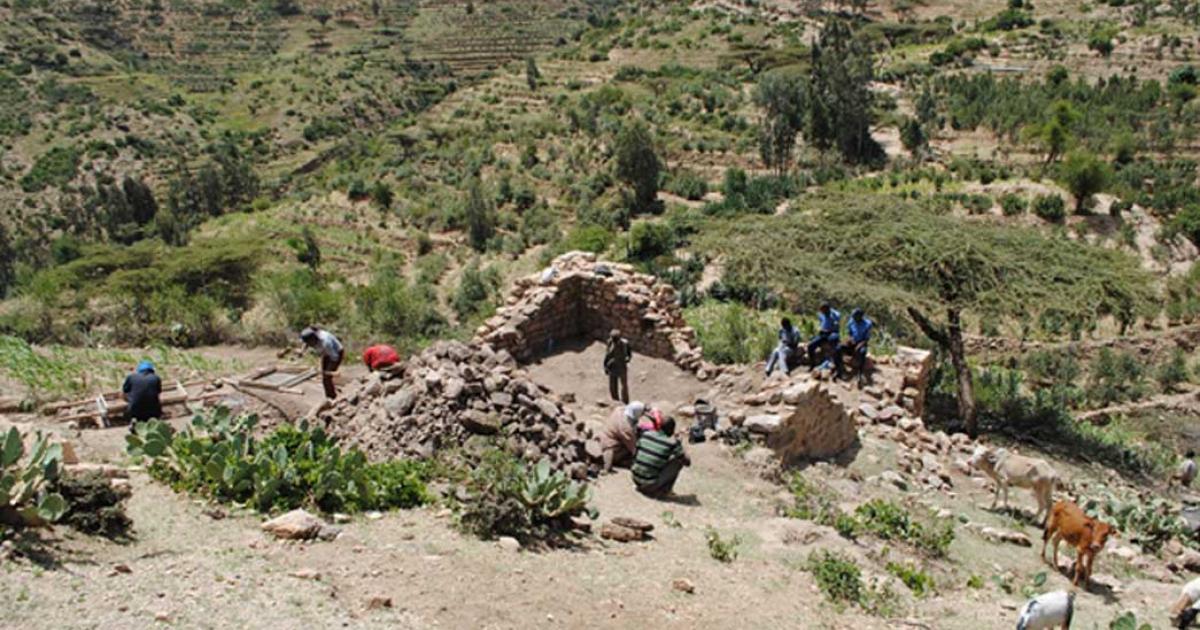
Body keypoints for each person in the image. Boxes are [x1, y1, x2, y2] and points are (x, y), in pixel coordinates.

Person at [632, 417, 690, 498]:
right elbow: (687, 462)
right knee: (678, 461)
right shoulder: (672, 443)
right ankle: (664, 491)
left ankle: (643, 484)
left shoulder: (646, 434)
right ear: (672, 430)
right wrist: (680, 444)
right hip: (649, 485)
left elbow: (635, 454)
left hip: (635, 479)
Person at [601, 401, 646, 473]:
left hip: (606, 438)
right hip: (612, 447)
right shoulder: (626, 428)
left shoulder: (619, 410)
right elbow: (634, 449)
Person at [301, 326, 344, 399]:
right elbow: (306, 343)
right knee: (324, 377)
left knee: (326, 378)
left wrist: (328, 371)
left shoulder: (326, 342)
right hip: (326, 353)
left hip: (336, 354)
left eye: (310, 343)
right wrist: (302, 351)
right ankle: (329, 396)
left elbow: (334, 357)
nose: (310, 345)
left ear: (313, 339)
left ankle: (332, 398)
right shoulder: (313, 335)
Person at [122, 360, 162, 432]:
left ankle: (133, 421)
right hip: (153, 409)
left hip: (135, 409)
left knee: (134, 409)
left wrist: (129, 401)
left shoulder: (131, 377)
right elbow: (158, 392)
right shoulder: (156, 378)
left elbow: (124, 391)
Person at [808, 302, 844, 378]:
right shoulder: (821, 314)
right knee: (810, 346)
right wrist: (822, 329)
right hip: (824, 333)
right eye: (822, 311)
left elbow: (836, 328)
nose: (823, 313)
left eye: (824, 311)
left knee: (834, 344)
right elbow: (822, 323)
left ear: (828, 309)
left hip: (833, 332)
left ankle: (837, 367)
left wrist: (828, 330)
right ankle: (812, 364)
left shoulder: (835, 315)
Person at [842, 308, 874, 384]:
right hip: (853, 342)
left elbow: (866, 339)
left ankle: (860, 372)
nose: (854, 318)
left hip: (861, 343)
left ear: (861, 317)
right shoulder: (851, 321)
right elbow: (849, 333)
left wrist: (859, 345)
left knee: (862, 352)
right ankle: (840, 369)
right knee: (839, 348)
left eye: (856, 317)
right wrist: (849, 339)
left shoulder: (867, 324)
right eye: (853, 317)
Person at [604, 328, 633, 403]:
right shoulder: (610, 342)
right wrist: (605, 366)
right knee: (613, 385)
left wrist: (628, 359)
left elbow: (629, 353)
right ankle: (615, 400)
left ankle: (625, 401)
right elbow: (607, 355)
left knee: (624, 386)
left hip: (622, 366)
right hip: (612, 366)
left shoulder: (625, 343)